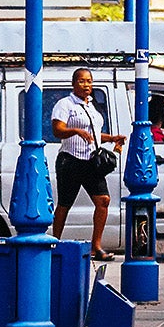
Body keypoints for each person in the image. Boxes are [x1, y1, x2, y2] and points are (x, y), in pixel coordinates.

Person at [50, 68, 122, 260]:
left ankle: (96, 247)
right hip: (71, 160)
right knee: (64, 204)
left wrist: (111, 138)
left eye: (89, 81)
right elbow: (58, 130)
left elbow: (93, 134)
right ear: (74, 84)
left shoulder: (92, 105)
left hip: (91, 161)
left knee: (103, 200)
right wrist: (75, 131)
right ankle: (54, 243)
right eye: (82, 81)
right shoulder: (65, 104)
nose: (86, 85)